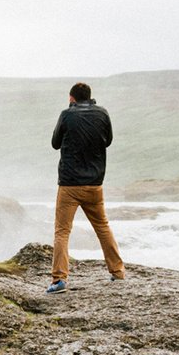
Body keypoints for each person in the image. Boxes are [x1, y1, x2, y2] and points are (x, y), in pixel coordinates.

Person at [47, 82, 125, 293]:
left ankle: (59, 280)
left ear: (72, 98)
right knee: (102, 227)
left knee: (62, 232)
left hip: (69, 185)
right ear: (89, 97)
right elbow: (107, 140)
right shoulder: (102, 113)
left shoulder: (66, 115)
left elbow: (55, 143)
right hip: (95, 183)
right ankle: (117, 272)